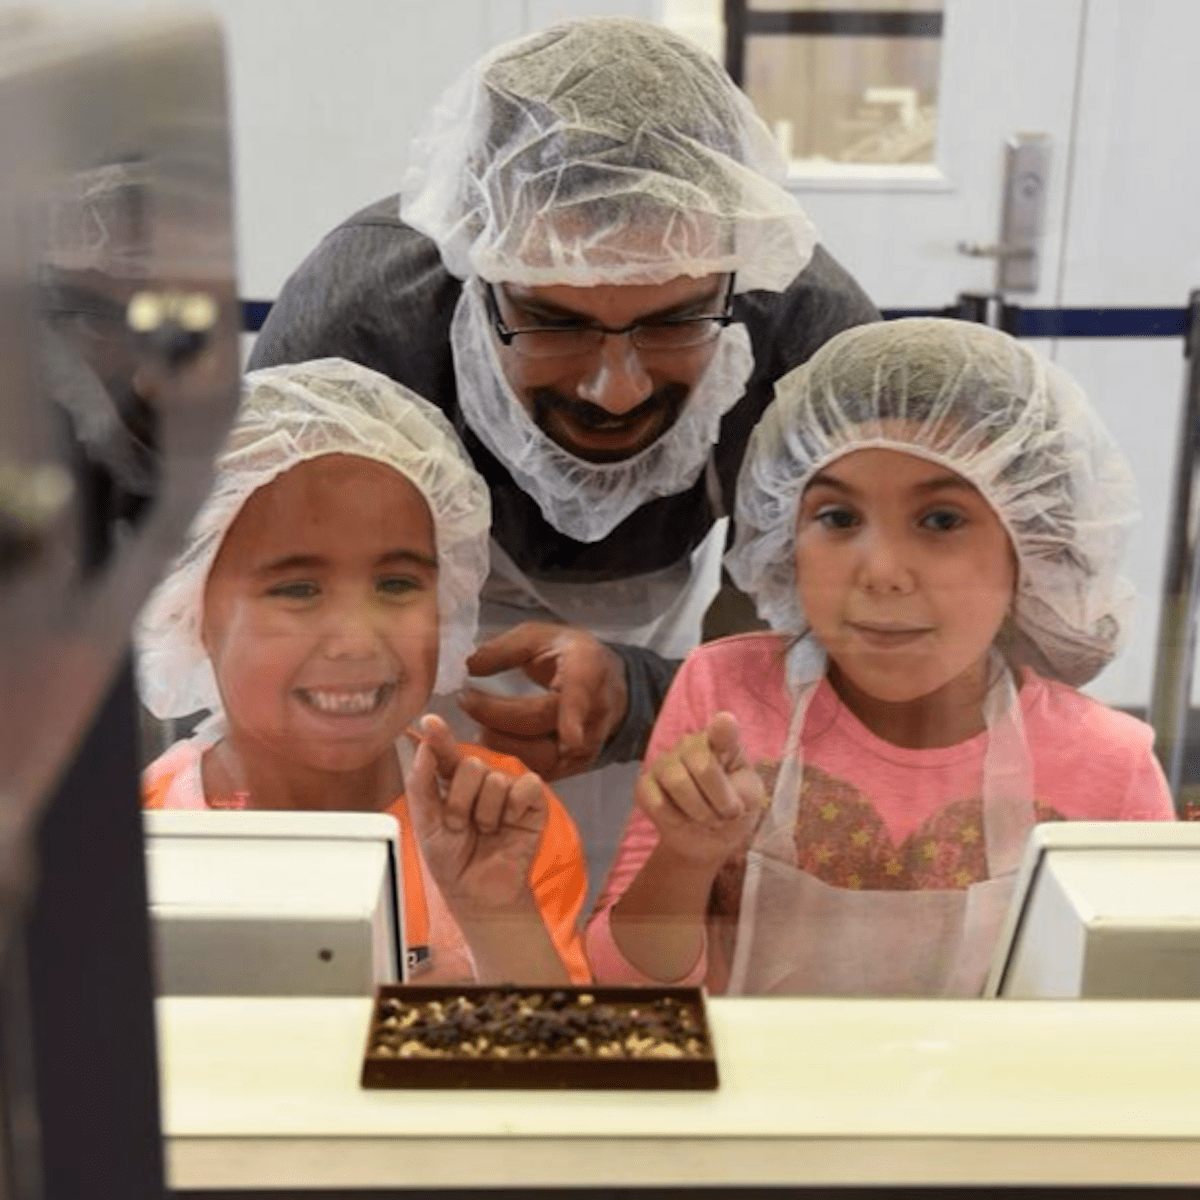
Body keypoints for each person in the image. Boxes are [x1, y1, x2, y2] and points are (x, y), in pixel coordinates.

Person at [247, 17, 878, 900]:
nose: (615, 390)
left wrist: (647, 695)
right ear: (475, 272)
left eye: (674, 321)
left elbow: (857, 639)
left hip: (673, 659)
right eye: (554, 322)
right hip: (378, 668)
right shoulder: (364, 320)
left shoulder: (801, 331)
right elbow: (256, 598)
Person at [585, 318, 1175, 997]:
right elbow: (623, 985)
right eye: (838, 518)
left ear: (1032, 544)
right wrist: (686, 858)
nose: (883, 572)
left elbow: (1150, 1001)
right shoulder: (729, 695)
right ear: (786, 535)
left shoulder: (1109, 767)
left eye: (941, 520)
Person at [136, 358, 589, 985]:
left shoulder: (496, 816)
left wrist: (495, 914)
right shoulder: (142, 835)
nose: (356, 640)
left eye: (397, 583)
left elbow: (559, 1044)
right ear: (190, 613)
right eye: (297, 589)